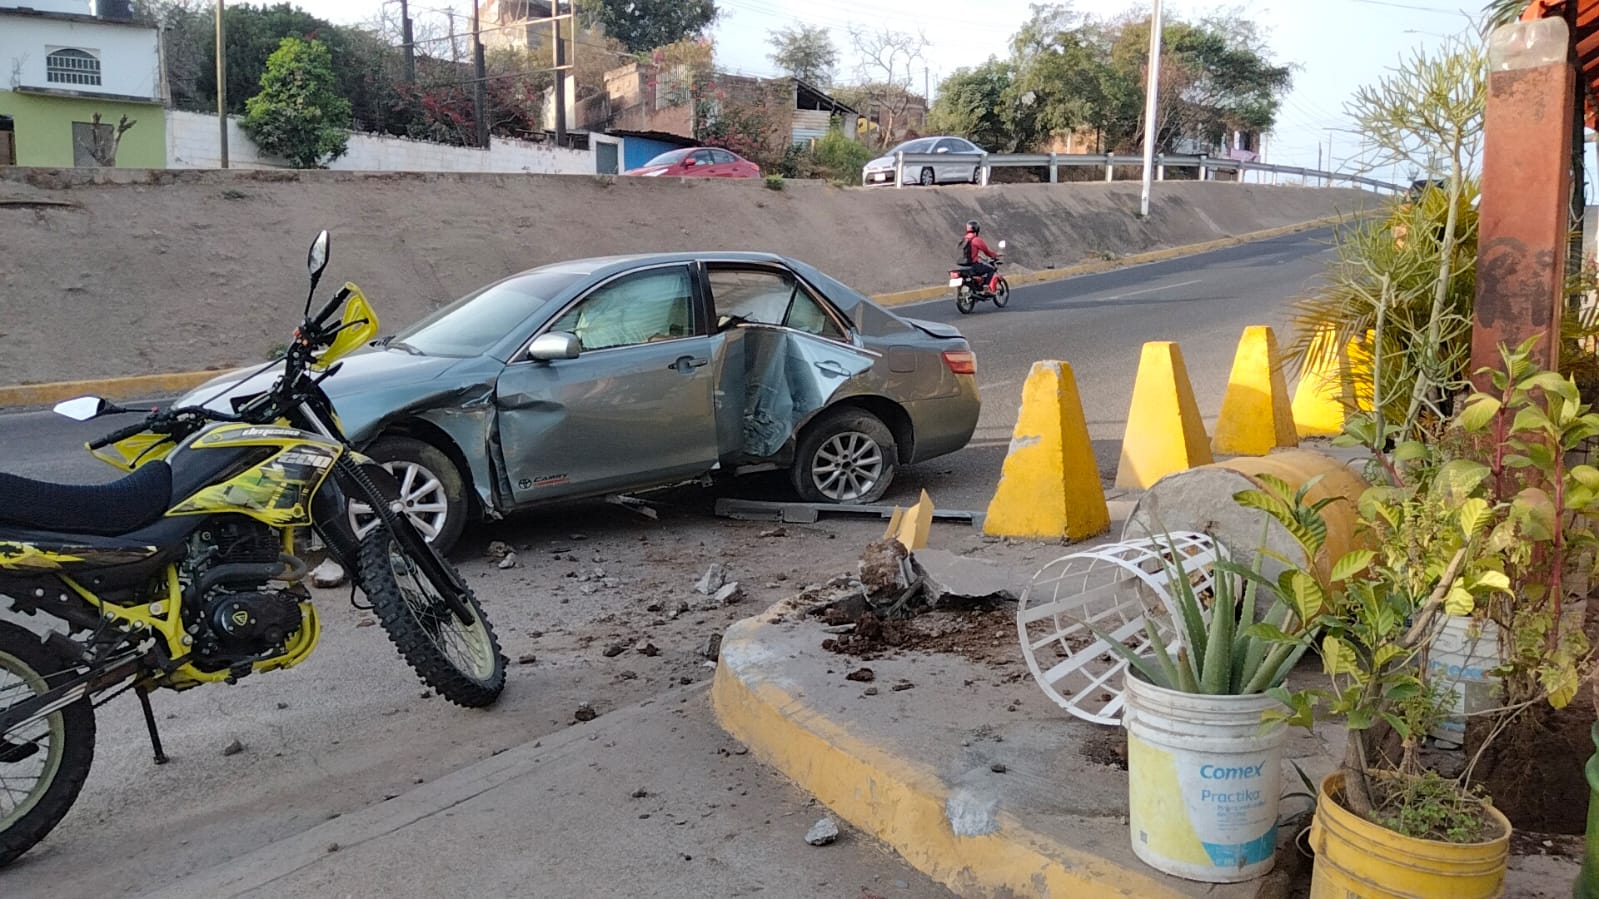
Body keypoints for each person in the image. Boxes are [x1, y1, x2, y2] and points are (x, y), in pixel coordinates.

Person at [958, 220, 1001, 295]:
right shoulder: (976, 240)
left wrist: (977, 256)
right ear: (977, 229)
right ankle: (986, 288)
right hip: (973, 265)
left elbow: (967, 253)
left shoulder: (963, 239)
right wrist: (995, 255)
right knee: (991, 269)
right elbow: (987, 252)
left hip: (962, 266)